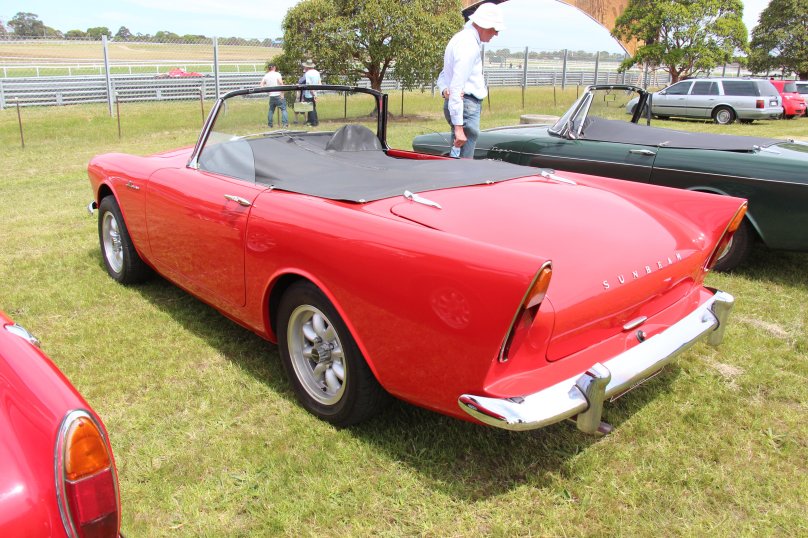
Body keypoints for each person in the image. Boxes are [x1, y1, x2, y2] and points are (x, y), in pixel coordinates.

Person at [436, 2, 505, 158]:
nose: (496, 34)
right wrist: (459, 128)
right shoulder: (468, 45)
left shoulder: (461, 39)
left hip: (463, 106)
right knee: (464, 163)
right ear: (484, 25)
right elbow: (457, 84)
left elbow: (445, 74)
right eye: (495, 29)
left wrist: (444, 90)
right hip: (466, 106)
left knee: (459, 159)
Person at [259, 63, 288, 128]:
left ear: (269, 68)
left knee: (271, 110)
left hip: (271, 96)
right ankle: (285, 124)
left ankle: (270, 124)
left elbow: (261, 85)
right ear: (274, 67)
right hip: (278, 94)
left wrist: (268, 92)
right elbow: (281, 83)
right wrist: (282, 93)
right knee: (283, 109)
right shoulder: (277, 74)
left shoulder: (266, 75)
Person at [301, 60, 321, 126]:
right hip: (315, 91)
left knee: (311, 108)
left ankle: (313, 122)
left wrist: (313, 94)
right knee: (313, 107)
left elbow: (309, 85)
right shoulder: (317, 72)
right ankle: (312, 121)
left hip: (309, 93)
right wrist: (315, 93)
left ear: (307, 67)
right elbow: (319, 83)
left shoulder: (307, 74)